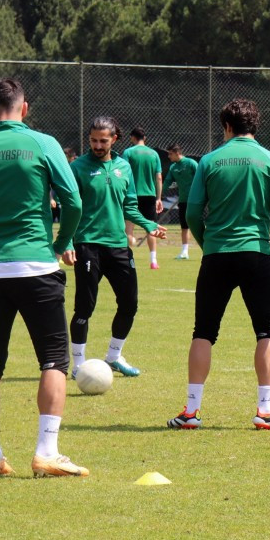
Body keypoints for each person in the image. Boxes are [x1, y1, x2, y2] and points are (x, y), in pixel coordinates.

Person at [0, 78, 87, 478]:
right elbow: (73, 201)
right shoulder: (43, 144)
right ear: (24, 109)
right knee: (54, 360)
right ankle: (47, 451)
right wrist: (61, 242)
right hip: (37, 267)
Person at [166, 98, 270, 430]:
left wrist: (208, 244)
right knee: (268, 331)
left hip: (216, 255)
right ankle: (266, 410)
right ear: (255, 126)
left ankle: (190, 411)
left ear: (226, 127)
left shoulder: (209, 161)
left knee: (203, 331)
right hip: (255, 254)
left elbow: (191, 213)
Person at [66, 116, 167, 379]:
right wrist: (66, 242)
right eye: (93, 140)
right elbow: (69, 208)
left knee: (130, 303)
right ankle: (78, 364)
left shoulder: (124, 167)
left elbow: (130, 206)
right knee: (85, 308)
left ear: (115, 139)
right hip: (87, 244)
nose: (97, 145)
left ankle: (114, 356)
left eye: (103, 140)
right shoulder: (78, 167)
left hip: (118, 246)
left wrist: (148, 225)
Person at [122, 127, 164, 270]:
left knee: (128, 230)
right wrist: (159, 198)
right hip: (150, 195)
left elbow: (123, 174)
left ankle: (127, 260)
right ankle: (153, 261)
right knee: (150, 228)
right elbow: (158, 177)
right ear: (144, 138)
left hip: (131, 195)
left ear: (132, 138)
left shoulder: (128, 152)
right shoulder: (154, 154)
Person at [163, 143, 198, 260]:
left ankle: (208, 249)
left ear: (177, 153)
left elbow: (201, 177)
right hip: (183, 201)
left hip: (196, 200)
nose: (169, 156)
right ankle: (185, 252)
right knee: (184, 227)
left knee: (200, 225)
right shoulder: (173, 168)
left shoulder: (191, 163)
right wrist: (158, 195)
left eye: (170, 154)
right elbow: (167, 182)